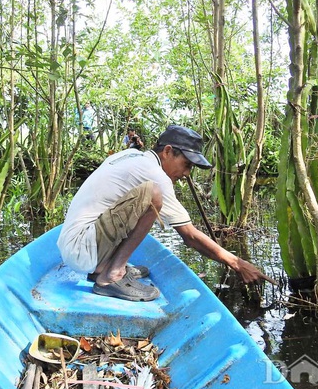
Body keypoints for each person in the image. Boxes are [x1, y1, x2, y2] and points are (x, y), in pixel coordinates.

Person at [57, 124, 275, 302]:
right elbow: (189, 236)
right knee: (152, 194)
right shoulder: (154, 174)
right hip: (82, 248)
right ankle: (111, 276)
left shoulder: (131, 155)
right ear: (168, 151)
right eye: (186, 165)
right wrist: (237, 263)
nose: (187, 174)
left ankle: (104, 268)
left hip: (79, 246)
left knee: (146, 197)